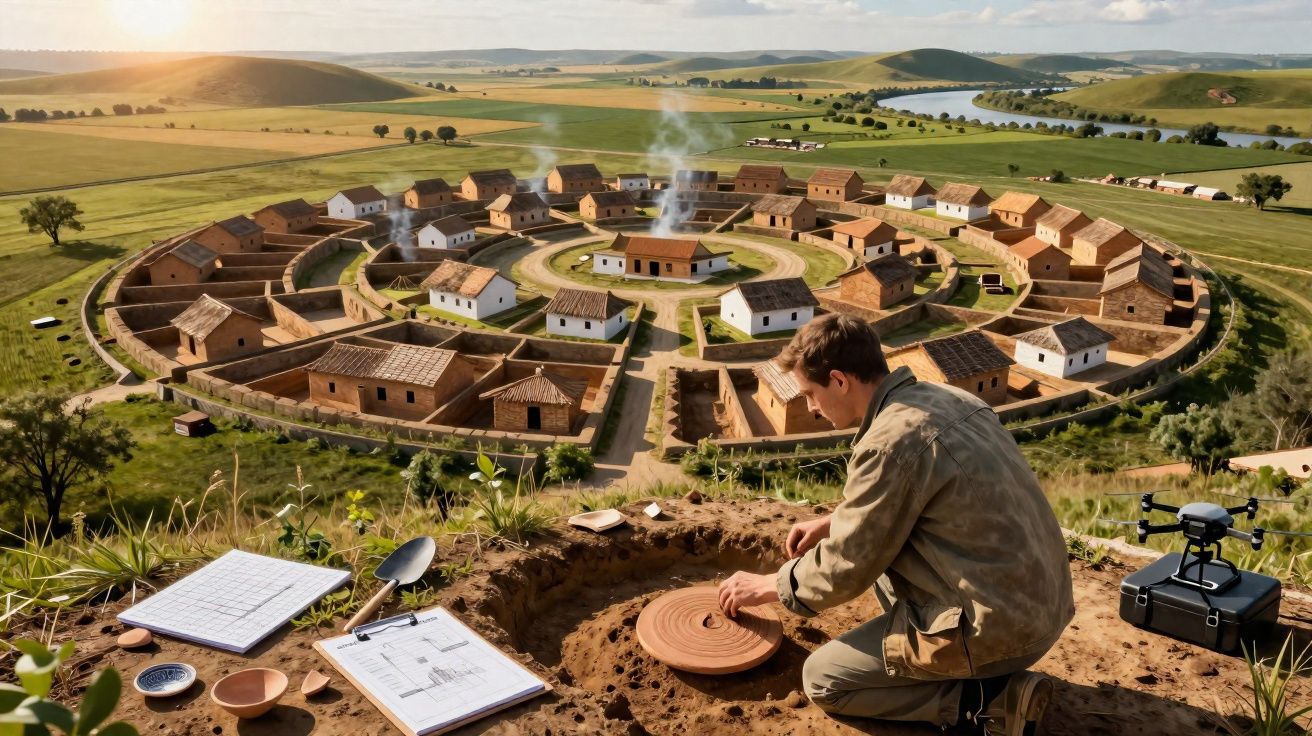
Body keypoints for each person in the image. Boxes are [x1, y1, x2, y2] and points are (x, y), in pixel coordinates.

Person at [718, 314, 1074, 736]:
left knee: (825, 680)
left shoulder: (888, 443)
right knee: (888, 565)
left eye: (811, 394)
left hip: (1000, 633)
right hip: (1043, 607)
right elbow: (930, 496)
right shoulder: (951, 399)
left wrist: (769, 585)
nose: (810, 407)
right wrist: (835, 522)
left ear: (839, 380)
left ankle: (988, 703)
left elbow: (845, 569)